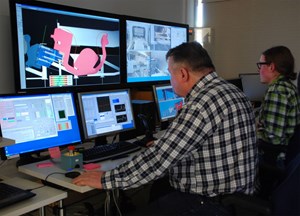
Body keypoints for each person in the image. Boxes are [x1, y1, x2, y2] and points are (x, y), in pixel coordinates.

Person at [73, 41, 258, 215]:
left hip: (209, 204)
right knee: (158, 188)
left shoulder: (201, 103)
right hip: (237, 196)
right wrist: (165, 143)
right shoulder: (231, 90)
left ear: (183, 74)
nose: (170, 79)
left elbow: (159, 160)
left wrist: (105, 179)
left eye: (170, 73)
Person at [256, 46, 300, 198]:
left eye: (260, 65)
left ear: (271, 67)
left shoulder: (277, 91)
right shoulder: (287, 87)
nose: (258, 70)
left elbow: (273, 138)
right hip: (285, 155)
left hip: (275, 158)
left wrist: (254, 131)